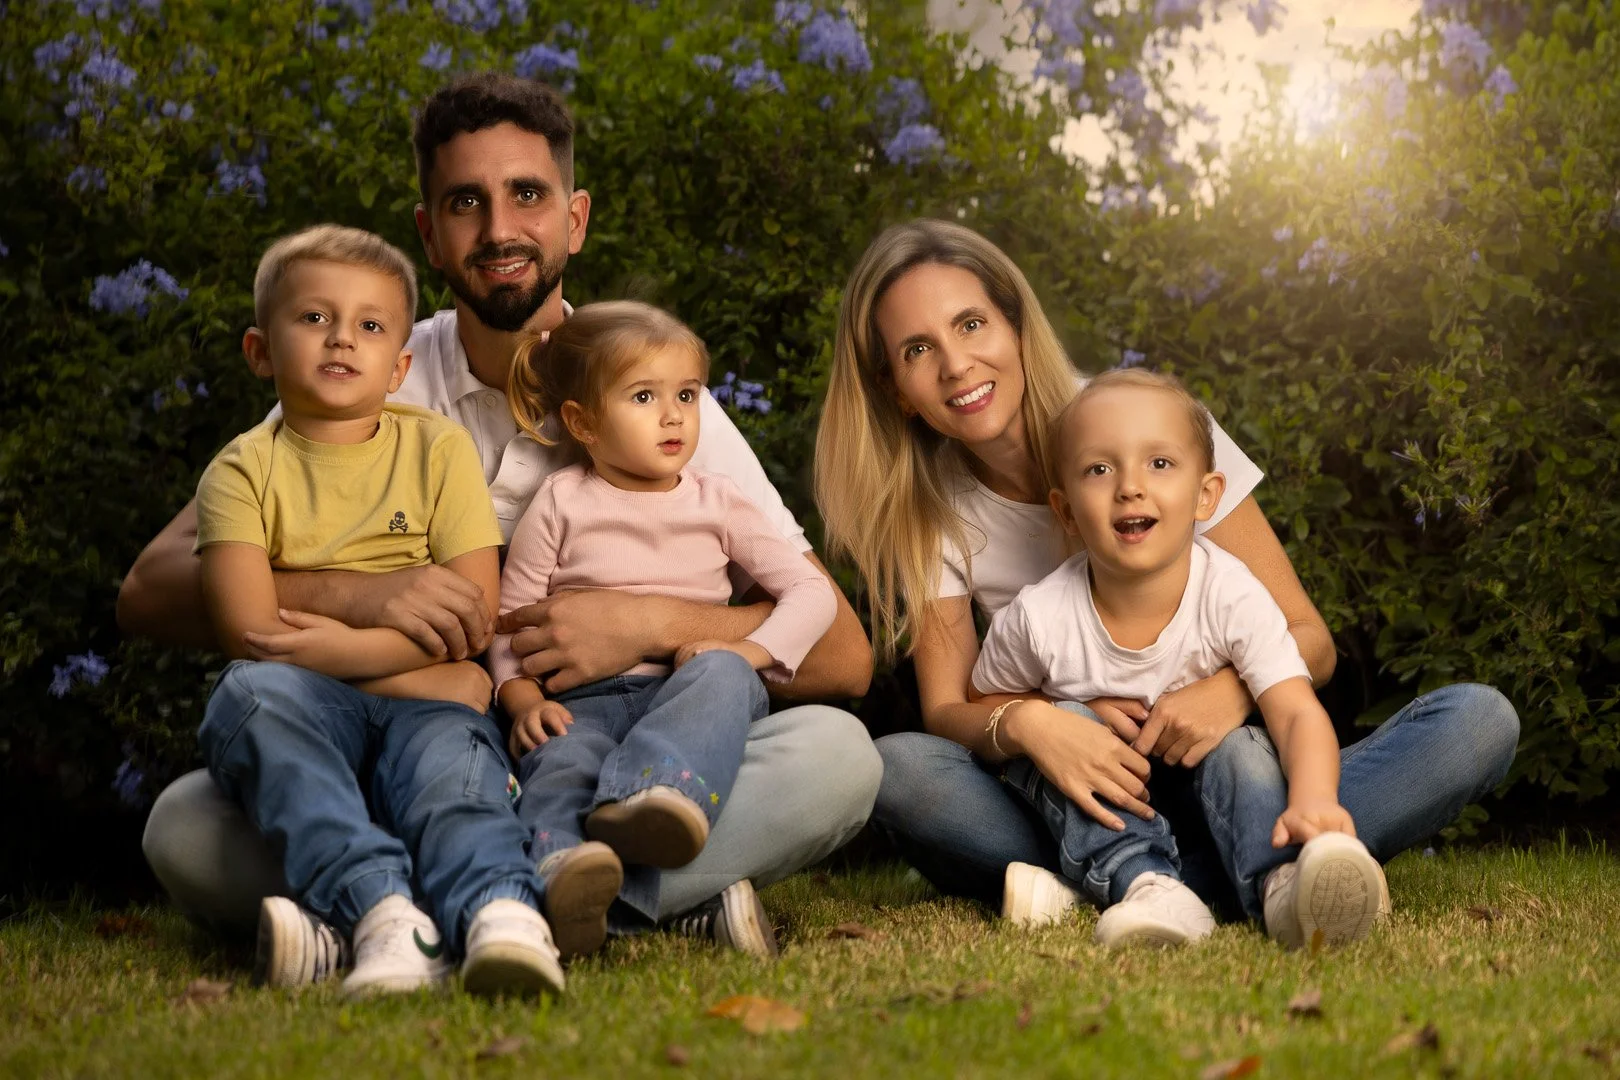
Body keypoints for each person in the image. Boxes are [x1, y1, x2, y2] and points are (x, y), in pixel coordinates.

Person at [119, 74, 880, 980]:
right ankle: (608, 902)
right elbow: (152, 585)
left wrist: (650, 624)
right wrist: (367, 596)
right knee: (186, 826)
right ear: (430, 235)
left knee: (838, 756)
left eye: (528, 194)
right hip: (418, 745)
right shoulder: (379, 364)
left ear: (576, 219)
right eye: (465, 203)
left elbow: (841, 654)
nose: (500, 228)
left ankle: (439, 914)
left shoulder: (661, 397)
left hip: (605, 759)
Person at [814, 218, 1519, 945]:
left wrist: (1225, 695)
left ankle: (1140, 883)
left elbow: (1311, 642)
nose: (957, 364)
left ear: (1017, 326)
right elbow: (950, 711)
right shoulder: (933, 515)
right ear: (895, 387)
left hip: (1234, 769)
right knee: (899, 769)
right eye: (918, 349)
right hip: (1091, 790)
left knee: (1476, 723)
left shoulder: (1152, 427)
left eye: (971, 325)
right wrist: (1038, 723)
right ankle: (1237, 877)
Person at [194, 224, 561, 997]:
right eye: (314, 318)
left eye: (368, 325)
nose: (340, 339)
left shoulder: (438, 451)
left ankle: (503, 915)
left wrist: (338, 649)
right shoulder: (240, 472)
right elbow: (248, 634)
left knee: (452, 781)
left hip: (423, 713)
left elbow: (473, 619)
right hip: (333, 700)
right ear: (260, 351)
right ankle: (384, 915)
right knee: (247, 695)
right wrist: (425, 672)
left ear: (398, 367)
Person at [971, 368, 1384, 949]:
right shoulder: (1039, 618)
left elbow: (1294, 711)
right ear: (1065, 512)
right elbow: (988, 704)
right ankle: (1149, 886)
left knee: (1245, 746)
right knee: (1059, 730)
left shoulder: (1231, 594)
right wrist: (1064, 713)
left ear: (1207, 495)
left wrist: (1315, 801)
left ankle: (1281, 883)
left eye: (1159, 464)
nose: (1130, 487)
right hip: (1110, 806)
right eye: (1099, 469)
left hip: (1224, 799)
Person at [492, 301, 836, 960]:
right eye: (644, 396)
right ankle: (565, 874)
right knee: (559, 766)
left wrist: (747, 651)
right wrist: (522, 699)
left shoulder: (718, 502)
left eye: (686, 394)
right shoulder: (563, 499)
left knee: (723, 676)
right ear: (583, 422)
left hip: (686, 696)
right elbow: (512, 618)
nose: (674, 414)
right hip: (581, 705)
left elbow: (812, 591)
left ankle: (658, 798)